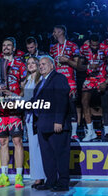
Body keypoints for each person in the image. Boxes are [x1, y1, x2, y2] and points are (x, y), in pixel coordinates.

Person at [0, 37, 27, 188]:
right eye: (4, 45)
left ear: (14, 48)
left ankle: (19, 176)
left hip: (14, 108)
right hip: (0, 109)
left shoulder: (20, 64)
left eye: (9, 46)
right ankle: (4, 176)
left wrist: (18, 98)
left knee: (17, 141)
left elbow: (24, 86)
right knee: (3, 142)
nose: (6, 47)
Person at [33, 56, 71, 192]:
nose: (41, 66)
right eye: (40, 64)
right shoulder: (40, 83)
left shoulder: (59, 78)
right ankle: (50, 181)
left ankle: (63, 183)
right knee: (47, 155)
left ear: (52, 65)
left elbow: (62, 100)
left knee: (61, 154)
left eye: (44, 64)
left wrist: (58, 121)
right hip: (43, 125)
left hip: (56, 124)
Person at [77, 34, 108, 142]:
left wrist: (106, 82)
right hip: (90, 78)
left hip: (102, 78)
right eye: (93, 45)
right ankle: (91, 132)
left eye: (96, 45)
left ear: (99, 43)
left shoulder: (106, 48)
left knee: (105, 104)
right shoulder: (83, 48)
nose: (94, 47)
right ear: (89, 42)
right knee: (84, 101)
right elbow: (79, 66)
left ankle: (107, 132)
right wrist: (88, 66)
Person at [49, 25, 80, 141]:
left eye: (54, 32)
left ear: (60, 32)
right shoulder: (52, 48)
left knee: (72, 106)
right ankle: (59, 129)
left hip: (70, 80)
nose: (53, 34)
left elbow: (78, 65)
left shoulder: (73, 46)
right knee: (58, 106)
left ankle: (74, 134)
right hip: (57, 81)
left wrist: (67, 60)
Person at [22, 57, 45, 188]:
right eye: (28, 63)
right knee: (33, 148)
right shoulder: (27, 81)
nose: (30, 65)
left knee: (39, 147)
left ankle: (42, 176)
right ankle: (37, 176)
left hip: (38, 117)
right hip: (29, 118)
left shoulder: (41, 80)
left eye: (33, 63)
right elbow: (25, 100)